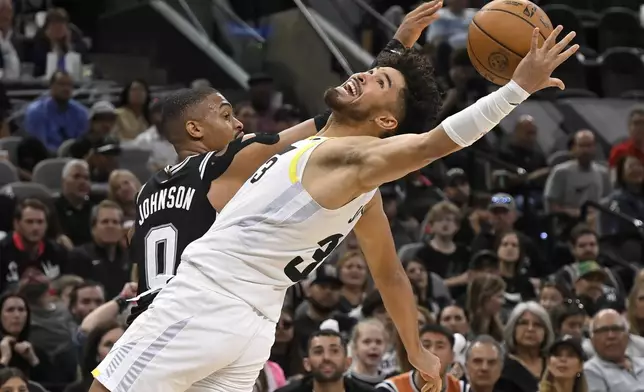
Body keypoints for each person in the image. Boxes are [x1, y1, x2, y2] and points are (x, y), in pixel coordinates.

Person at [93, 3, 579, 392]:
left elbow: (434, 141)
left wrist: (517, 89)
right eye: (371, 74)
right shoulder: (353, 183)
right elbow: (389, 275)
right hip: (250, 329)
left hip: (203, 303)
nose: (364, 76)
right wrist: (416, 350)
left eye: (379, 82)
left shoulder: (349, 159)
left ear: (387, 123)